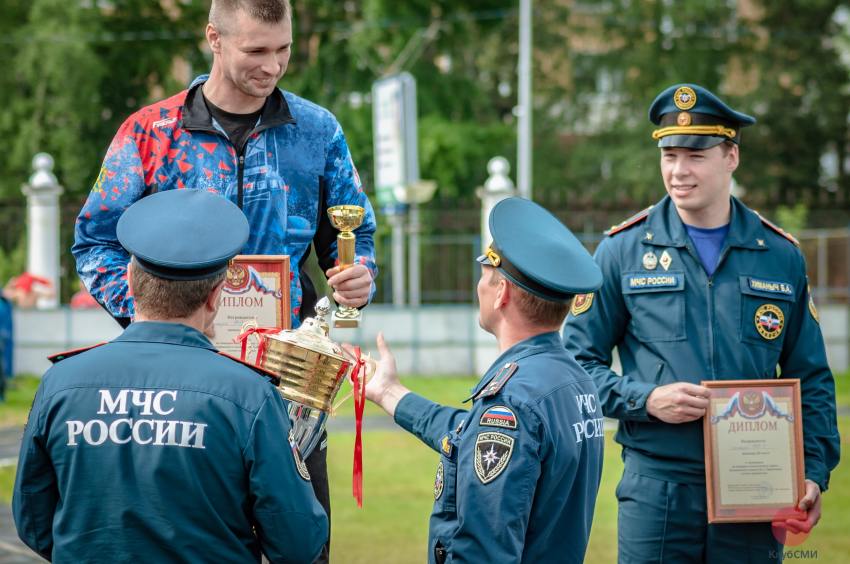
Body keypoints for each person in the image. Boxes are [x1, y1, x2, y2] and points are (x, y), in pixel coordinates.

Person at [71, 1, 377, 558]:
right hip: (175, 383)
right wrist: (153, 315)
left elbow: (354, 234)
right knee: (187, 542)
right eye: (256, 50)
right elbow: (95, 241)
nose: (274, 65)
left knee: (302, 545)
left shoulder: (318, 130)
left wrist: (360, 277)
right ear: (213, 37)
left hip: (289, 384)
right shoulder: (148, 132)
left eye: (282, 49)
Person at [564, 83, 841, 563]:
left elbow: (812, 377)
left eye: (695, 155)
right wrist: (645, 399)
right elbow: (575, 366)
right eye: (669, 155)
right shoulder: (621, 251)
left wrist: (812, 471)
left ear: (731, 156)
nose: (678, 171)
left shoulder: (779, 256)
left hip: (758, 490)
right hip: (658, 489)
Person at [14, 189, 328, 562]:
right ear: (216, 295)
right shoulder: (248, 395)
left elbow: (33, 522)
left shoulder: (61, 383)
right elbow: (297, 541)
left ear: (130, 281)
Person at [363, 197, 605, 563]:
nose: (479, 287)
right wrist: (390, 393)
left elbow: (484, 550)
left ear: (502, 293)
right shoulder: (572, 379)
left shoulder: (511, 402)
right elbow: (469, 435)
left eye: (485, 276)